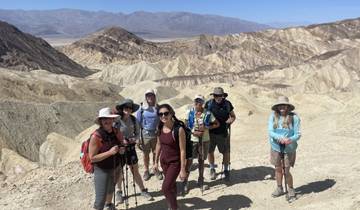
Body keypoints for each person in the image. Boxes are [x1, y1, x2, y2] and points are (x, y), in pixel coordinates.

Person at [113, 99, 153, 204]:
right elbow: (113, 134)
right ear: (122, 108)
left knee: (135, 171)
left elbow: (138, 134)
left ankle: (143, 190)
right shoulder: (116, 120)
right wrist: (122, 141)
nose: (128, 109)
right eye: (126, 107)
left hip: (130, 149)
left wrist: (134, 139)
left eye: (130, 108)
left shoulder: (134, 120)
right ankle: (119, 192)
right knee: (119, 172)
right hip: (120, 150)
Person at [181, 95, 219, 194]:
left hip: (205, 140)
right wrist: (193, 132)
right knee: (189, 161)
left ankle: (200, 180)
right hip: (192, 140)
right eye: (196, 101)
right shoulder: (189, 112)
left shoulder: (208, 113)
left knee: (201, 161)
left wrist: (206, 128)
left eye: (200, 101)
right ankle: (185, 182)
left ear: (202, 103)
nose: (198, 103)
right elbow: (185, 126)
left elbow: (217, 124)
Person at [88, 107, 125, 210]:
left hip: (116, 166)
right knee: (100, 199)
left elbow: (121, 145)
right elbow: (92, 158)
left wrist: (122, 150)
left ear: (113, 119)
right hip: (102, 169)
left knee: (110, 189)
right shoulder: (96, 136)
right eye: (104, 118)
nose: (107, 121)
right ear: (100, 121)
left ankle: (109, 205)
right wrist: (109, 153)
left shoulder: (116, 132)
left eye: (109, 118)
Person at [153, 104, 187, 210]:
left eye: (166, 113)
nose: (163, 116)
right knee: (171, 185)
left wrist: (182, 169)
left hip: (175, 163)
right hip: (164, 162)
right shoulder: (160, 127)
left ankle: (173, 207)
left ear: (171, 113)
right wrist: (155, 162)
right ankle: (173, 204)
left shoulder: (178, 129)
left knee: (165, 188)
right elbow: (158, 145)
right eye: (161, 114)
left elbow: (182, 150)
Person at [268, 96, 301, 199]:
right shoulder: (273, 116)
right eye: (280, 105)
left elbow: (298, 134)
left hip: (289, 148)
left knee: (286, 170)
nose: (282, 107)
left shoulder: (294, 118)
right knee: (278, 169)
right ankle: (279, 188)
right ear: (277, 107)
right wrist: (280, 138)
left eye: (284, 105)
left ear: (287, 106)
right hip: (276, 147)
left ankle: (290, 189)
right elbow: (270, 131)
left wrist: (289, 140)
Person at [205, 87, 236, 181]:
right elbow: (204, 115)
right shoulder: (209, 104)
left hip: (223, 133)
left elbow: (233, 116)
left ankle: (226, 170)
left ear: (223, 96)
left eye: (220, 95)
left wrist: (230, 121)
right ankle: (212, 168)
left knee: (226, 152)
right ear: (213, 96)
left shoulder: (227, 104)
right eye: (216, 95)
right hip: (210, 133)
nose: (218, 97)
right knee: (210, 151)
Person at [136, 89, 163, 181]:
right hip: (145, 134)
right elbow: (138, 123)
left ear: (155, 97)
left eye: (151, 95)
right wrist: (138, 138)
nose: (150, 97)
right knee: (145, 153)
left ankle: (155, 168)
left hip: (156, 134)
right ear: (146, 98)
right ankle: (146, 170)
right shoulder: (142, 108)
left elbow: (161, 121)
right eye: (148, 96)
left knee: (156, 153)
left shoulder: (158, 108)